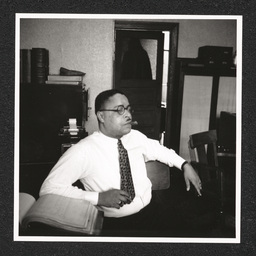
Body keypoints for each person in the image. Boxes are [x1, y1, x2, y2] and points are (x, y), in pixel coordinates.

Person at [39, 89, 202, 234]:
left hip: (151, 211)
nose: (128, 115)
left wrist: (185, 164)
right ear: (101, 116)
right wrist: (98, 198)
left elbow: (160, 150)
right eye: (119, 110)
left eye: (129, 109)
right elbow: (49, 188)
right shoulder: (84, 150)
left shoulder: (135, 137)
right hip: (116, 225)